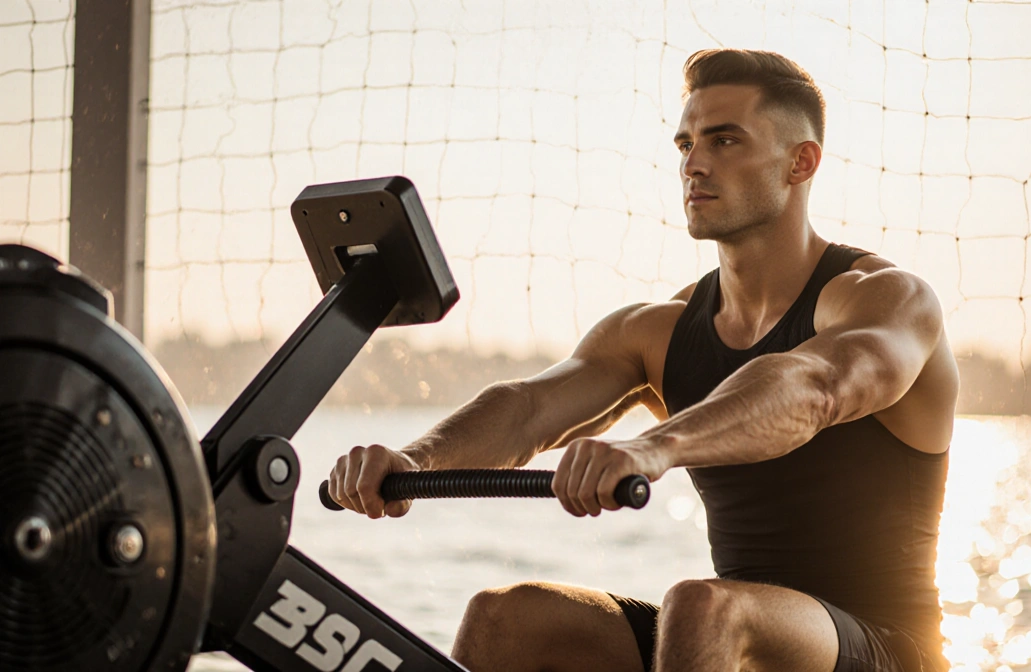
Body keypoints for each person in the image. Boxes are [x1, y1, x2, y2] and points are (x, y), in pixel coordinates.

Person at [327, 48, 958, 672]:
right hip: (740, 633)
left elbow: (815, 384)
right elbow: (531, 409)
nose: (695, 165)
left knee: (702, 606)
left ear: (801, 162)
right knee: (506, 619)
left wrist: (655, 446)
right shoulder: (657, 331)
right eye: (686, 145)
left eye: (725, 141)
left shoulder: (885, 299)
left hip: (888, 649)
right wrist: (416, 459)